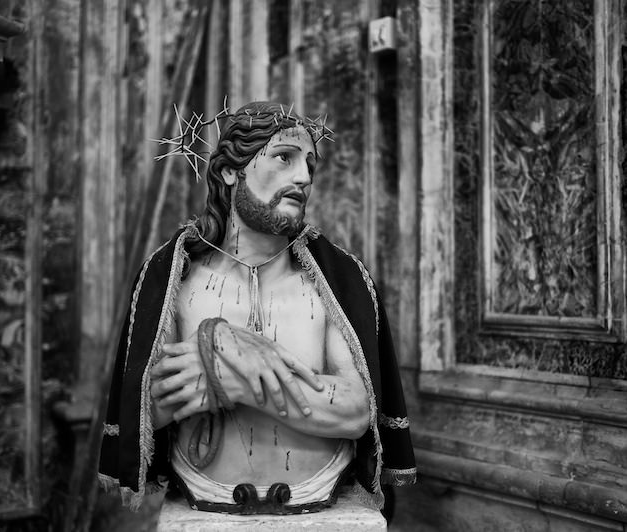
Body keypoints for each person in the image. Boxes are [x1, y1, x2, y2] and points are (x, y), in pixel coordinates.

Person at [98, 101, 415, 515]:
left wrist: (237, 372)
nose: (302, 177)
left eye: (309, 166)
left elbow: (356, 410)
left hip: (318, 502)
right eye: (284, 158)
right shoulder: (176, 278)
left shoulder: (334, 283)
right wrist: (224, 345)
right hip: (205, 502)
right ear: (231, 170)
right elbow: (148, 410)